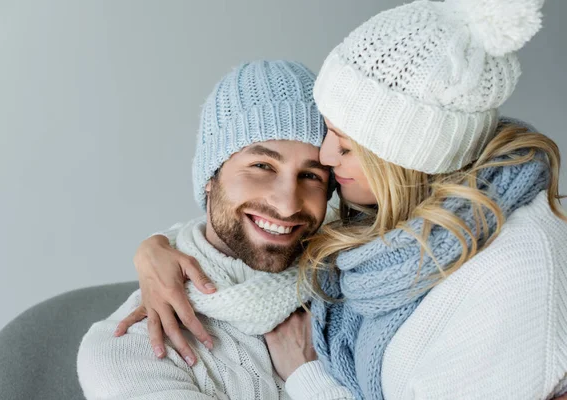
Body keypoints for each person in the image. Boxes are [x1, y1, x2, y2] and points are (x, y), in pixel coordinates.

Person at [118, 0, 567, 398]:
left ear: (406, 156)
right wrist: (155, 249)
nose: (328, 160)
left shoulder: (509, 275)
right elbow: (238, 229)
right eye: (329, 133)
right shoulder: (385, 234)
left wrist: (307, 376)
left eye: (344, 145)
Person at [76, 60, 353, 399]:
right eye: (261, 166)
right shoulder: (128, 350)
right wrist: (311, 381)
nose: (287, 204)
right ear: (210, 178)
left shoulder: (356, 280)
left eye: (311, 176)